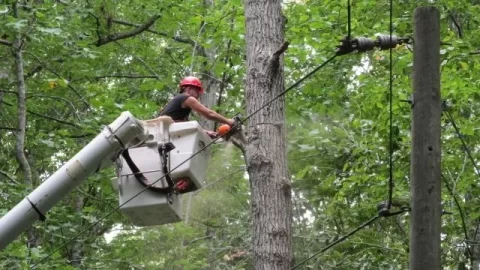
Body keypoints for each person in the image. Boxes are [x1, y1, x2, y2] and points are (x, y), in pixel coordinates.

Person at [158, 76, 235, 138]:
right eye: (197, 91)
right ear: (189, 89)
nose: (198, 95)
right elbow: (209, 114)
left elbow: (182, 124)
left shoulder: (176, 102)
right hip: (169, 134)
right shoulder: (187, 98)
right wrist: (228, 121)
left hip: (165, 135)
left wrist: (204, 132)